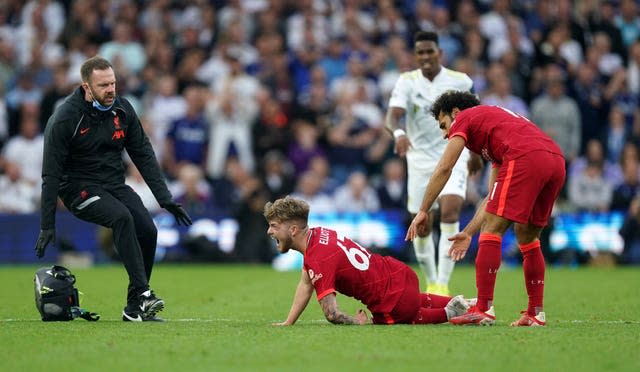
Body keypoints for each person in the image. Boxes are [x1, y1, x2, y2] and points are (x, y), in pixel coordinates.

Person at [34, 56, 193, 322]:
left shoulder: (122, 109)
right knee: (121, 217)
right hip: (77, 189)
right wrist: (47, 224)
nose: (111, 90)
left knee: (148, 230)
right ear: (86, 87)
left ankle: (133, 309)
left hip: (113, 185)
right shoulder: (64, 118)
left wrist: (165, 198)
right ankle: (143, 294)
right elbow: (50, 175)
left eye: (113, 83)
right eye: (104, 85)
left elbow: (143, 154)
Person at [406, 91, 566, 327]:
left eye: (443, 125)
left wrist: (422, 210)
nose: (444, 135)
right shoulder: (496, 131)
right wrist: (469, 232)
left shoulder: (465, 118)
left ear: (456, 113)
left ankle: (483, 309)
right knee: (527, 235)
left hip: (525, 156)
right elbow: (491, 199)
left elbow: (444, 168)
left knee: (493, 229)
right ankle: (535, 313)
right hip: (554, 160)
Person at [263, 196, 471, 326]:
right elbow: (306, 282)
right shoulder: (319, 233)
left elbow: (332, 314)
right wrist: (288, 322)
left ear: (292, 230)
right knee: (415, 302)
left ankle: (451, 312)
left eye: (273, 225)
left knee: (406, 317)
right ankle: (476, 306)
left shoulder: (318, 258)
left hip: (392, 302)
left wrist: (357, 322)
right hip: (400, 274)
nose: (269, 231)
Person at [385, 30, 481, 296]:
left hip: (455, 153)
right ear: (415, 55)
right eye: (421, 52)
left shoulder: (461, 81)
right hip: (418, 160)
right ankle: (431, 280)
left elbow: (477, 118)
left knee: (450, 212)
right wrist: (399, 133)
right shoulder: (407, 81)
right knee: (423, 221)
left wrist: (475, 153)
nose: (426, 56)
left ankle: (443, 285)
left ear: (440, 53)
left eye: (430, 51)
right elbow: (391, 118)